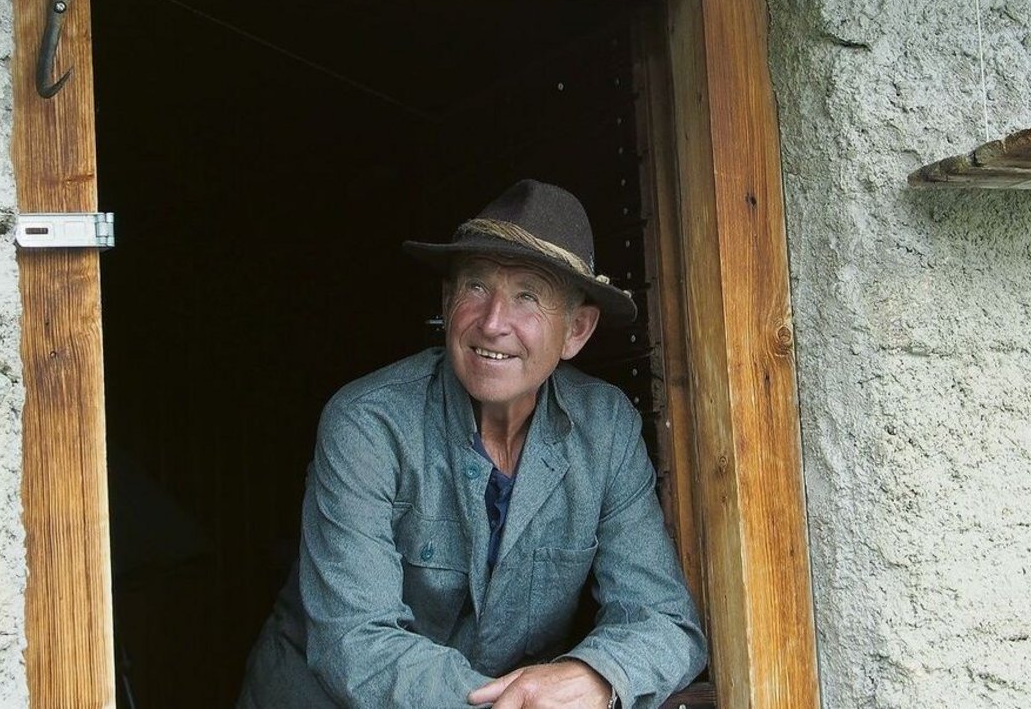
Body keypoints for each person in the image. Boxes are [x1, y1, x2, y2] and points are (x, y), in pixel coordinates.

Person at [238, 180, 706, 709]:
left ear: (576, 330)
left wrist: (594, 676)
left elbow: (664, 620)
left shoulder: (606, 431)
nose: (493, 323)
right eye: (476, 287)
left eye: (528, 295)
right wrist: (522, 703)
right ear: (447, 300)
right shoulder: (368, 423)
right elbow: (356, 643)